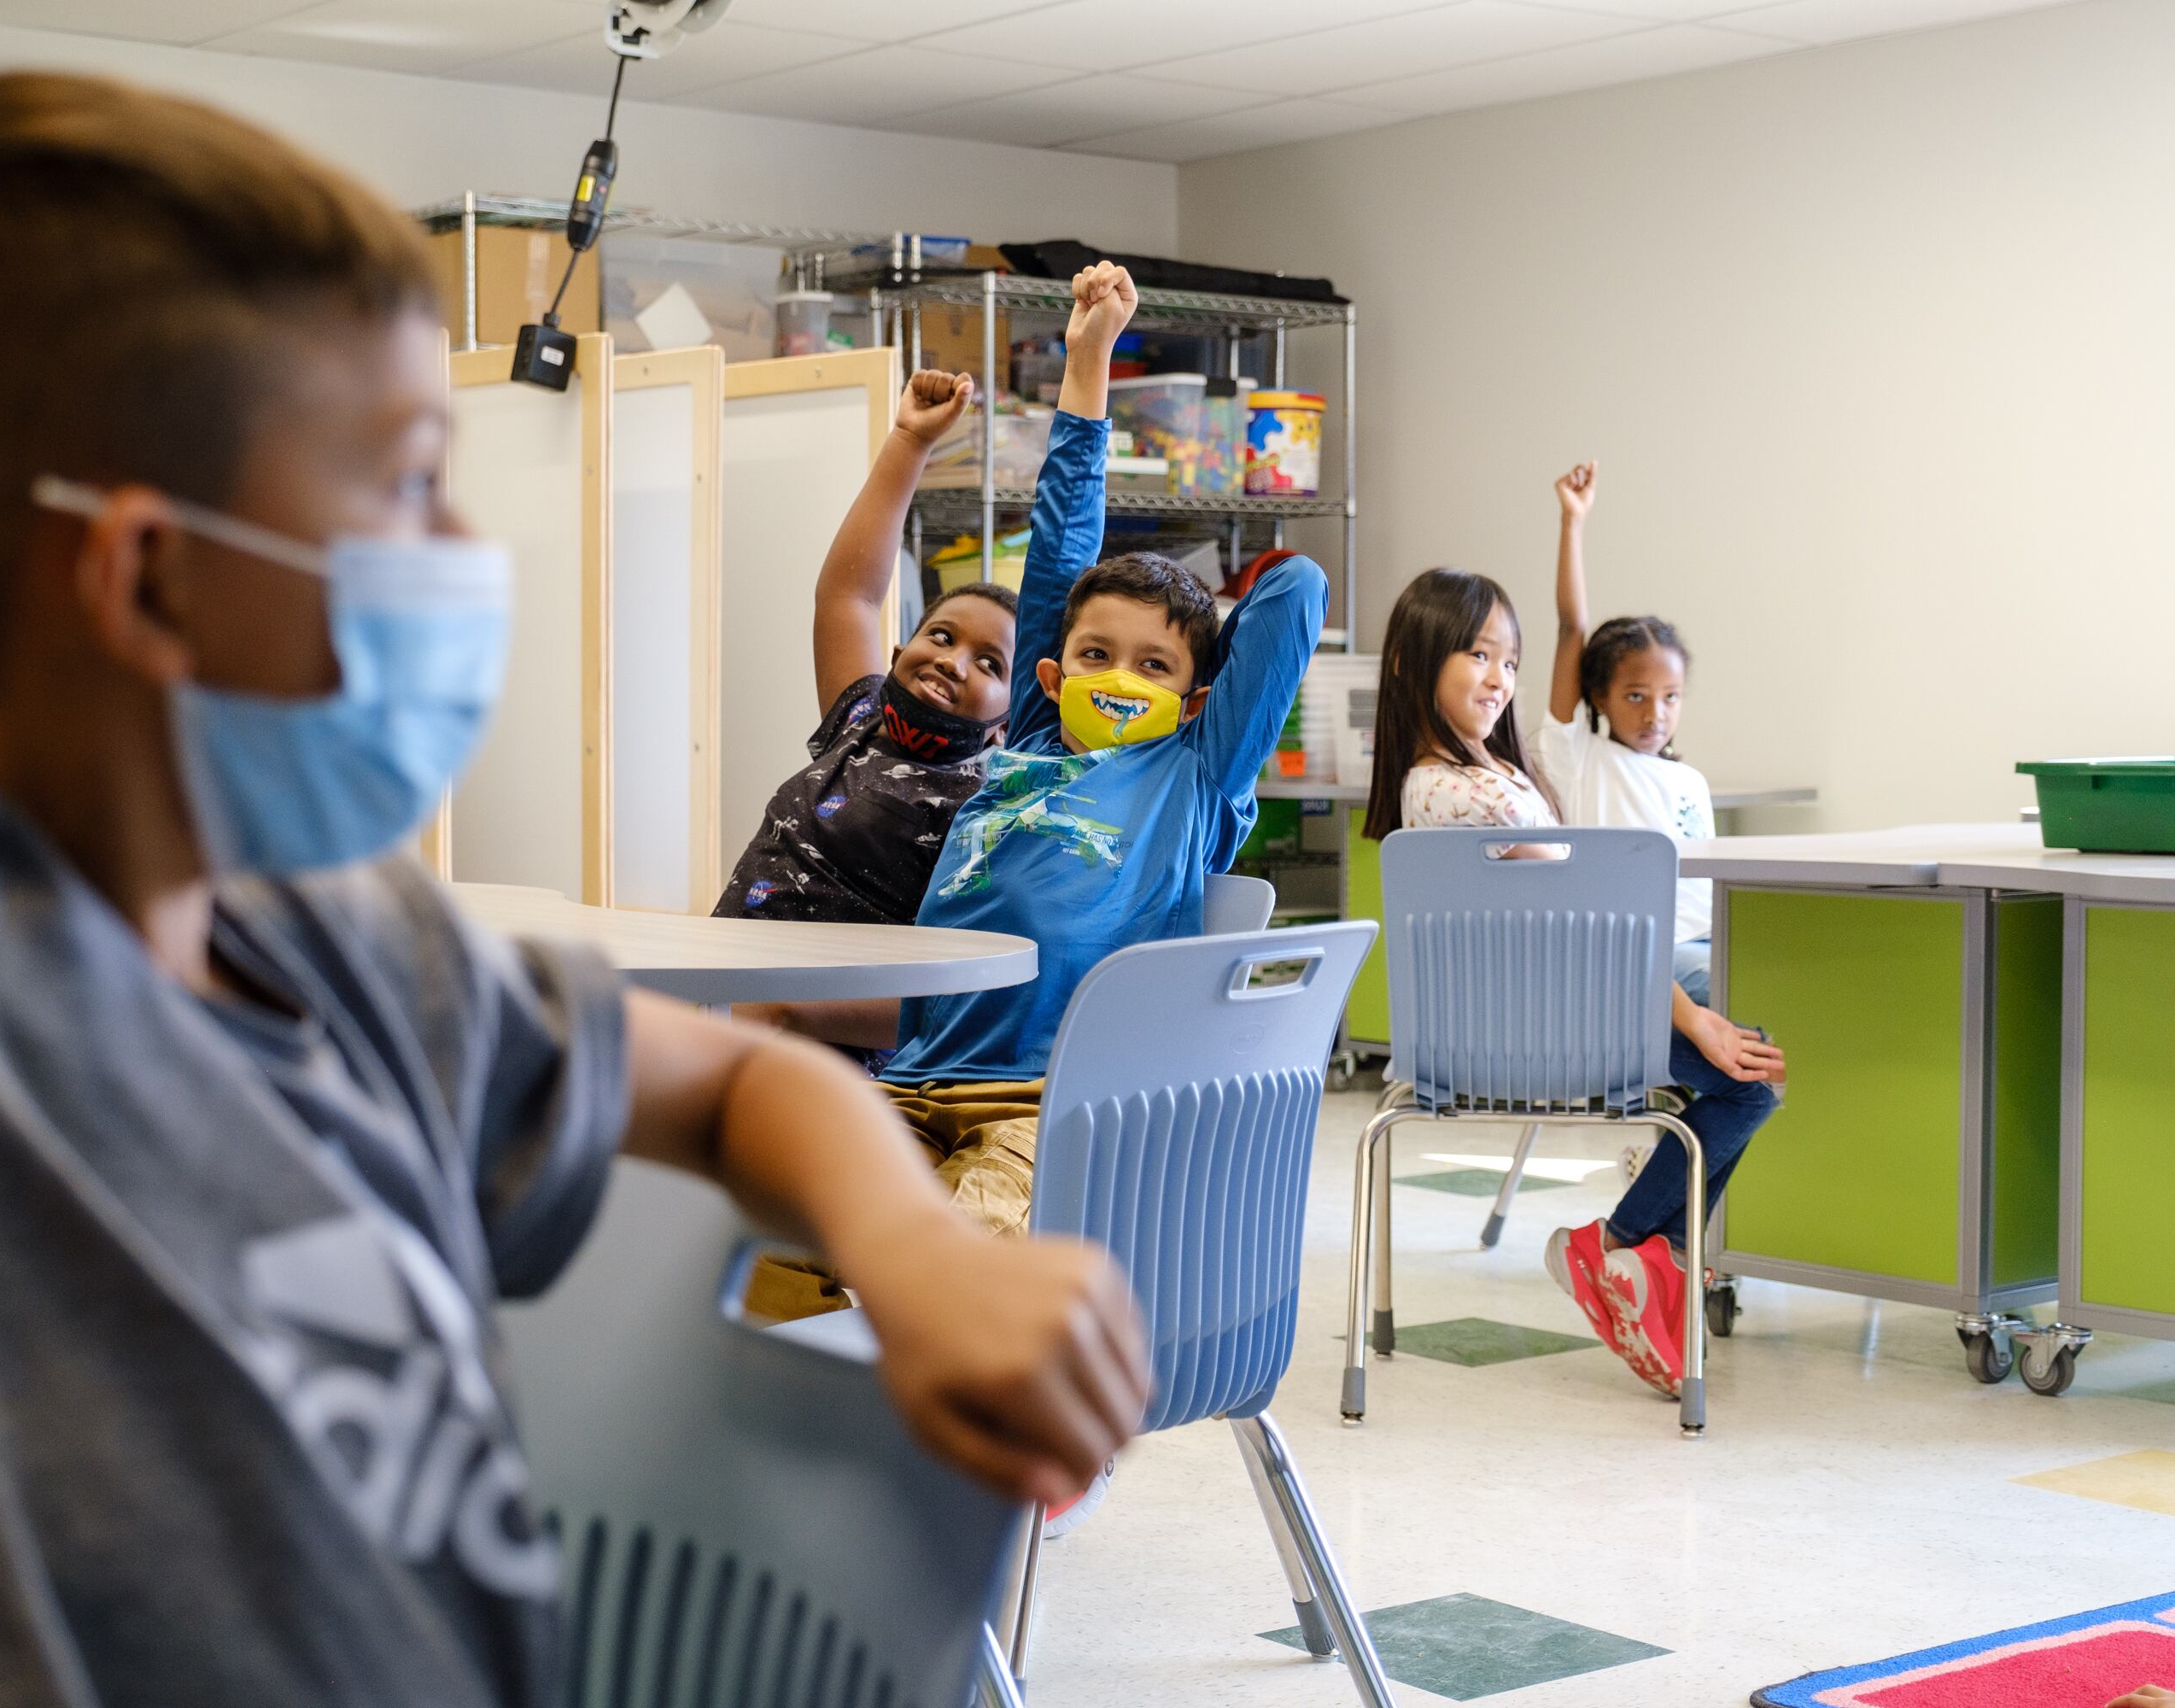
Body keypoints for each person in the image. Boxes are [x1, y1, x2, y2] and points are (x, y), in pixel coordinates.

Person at [0, 5, 1149, 1701]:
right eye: (414, 482)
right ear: (148, 573)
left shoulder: (354, 954)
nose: (470, 549)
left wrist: (920, 1254)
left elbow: (738, 1091)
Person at [873, 260, 1329, 1239]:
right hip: (912, 1080)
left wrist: (1203, 664)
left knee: (955, 1258)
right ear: (1049, 671)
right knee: (786, 1245)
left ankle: (933, 1376)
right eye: (1096, 655)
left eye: (1152, 666)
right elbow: (1060, 538)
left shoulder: (1198, 773)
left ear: (1195, 695)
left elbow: (1298, 593)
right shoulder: (1032, 732)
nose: (1119, 678)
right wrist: (1088, 359)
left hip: (1053, 1099)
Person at [1362, 567, 1783, 1400]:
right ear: (1415, 664)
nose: (1498, 678)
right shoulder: (1478, 794)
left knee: (1743, 1064)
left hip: (1495, 1027)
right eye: (1477, 654)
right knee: (1750, 1076)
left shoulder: (1458, 780)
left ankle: (1641, 1261)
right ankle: (1628, 1246)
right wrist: (1691, 1018)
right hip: (1550, 1032)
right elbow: (1592, 921)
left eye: (1509, 661)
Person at [718, 368, 1014, 1048]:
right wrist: (908, 441)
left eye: (989, 664)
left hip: (819, 1049)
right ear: (904, 643)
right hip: (723, 998)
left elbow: (956, 992)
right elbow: (848, 597)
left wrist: (785, 1017)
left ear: (1008, 717)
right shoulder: (860, 722)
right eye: (940, 635)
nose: (952, 659)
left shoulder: (989, 805)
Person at [1538, 461, 1719, 1002]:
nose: (1654, 715)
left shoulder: (1691, 782)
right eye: (1635, 697)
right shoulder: (1577, 757)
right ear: (1599, 697)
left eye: (1670, 698)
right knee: (1737, 991)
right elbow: (1573, 628)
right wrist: (1573, 523)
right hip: (1642, 956)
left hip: (1710, 941)